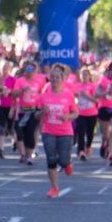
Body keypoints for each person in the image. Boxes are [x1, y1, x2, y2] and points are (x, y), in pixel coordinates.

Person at [37, 66, 79, 198]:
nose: (55, 79)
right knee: (51, 159)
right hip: (48, 131)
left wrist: (68, 117)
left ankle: (67, 164)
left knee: (63, 159)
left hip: (65, 132)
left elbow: (76, 113)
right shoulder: (43, 96)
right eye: (52, 77)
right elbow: (35, 115)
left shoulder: (68, 95)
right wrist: (43, 112)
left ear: (63, 79)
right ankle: (54, 188)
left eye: (57, 77)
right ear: (49, 79)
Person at [74, 67, 98, 162]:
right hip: (80, 113)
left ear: (89, 76)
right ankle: (81, 151)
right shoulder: (76, 86)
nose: (84, 76)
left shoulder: (93, 86)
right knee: (81, 132)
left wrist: (86, 95)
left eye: (86, 74)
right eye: (82, 74)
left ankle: (88, 146)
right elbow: (72, 97)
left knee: (90, 133)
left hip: (92, 113)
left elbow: (96, 100)